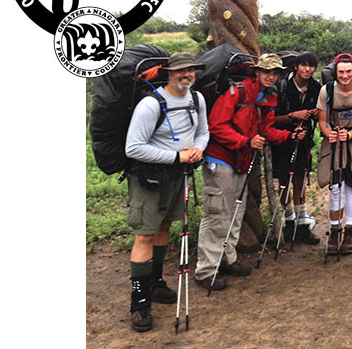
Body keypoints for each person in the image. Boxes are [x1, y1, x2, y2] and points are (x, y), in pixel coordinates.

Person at [193, 53, 305, 290]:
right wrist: (245, 141)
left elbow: (265, 131)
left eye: (275, 73)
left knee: (235, 212)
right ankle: (206, 270)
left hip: (242, 161)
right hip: (221, 159)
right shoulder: (238, 92)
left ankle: (227, 259)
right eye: (267, 72)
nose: (271, 76)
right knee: (217, 214)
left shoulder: (268, 97)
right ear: (257, 72)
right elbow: (216, 126)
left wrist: (289, 136)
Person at [124, 51, 209, 332]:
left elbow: (203, 132)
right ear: (169, 74)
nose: (187, 75)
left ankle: (155, 281)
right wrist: (176, 157)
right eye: (180, 70)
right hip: (150, 178)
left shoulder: (197, 99)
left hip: (178, 176)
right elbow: (133, 147)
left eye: (191, 70)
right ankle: (139, 302)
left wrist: (198, 149)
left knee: (163, 228)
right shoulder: (150, 105)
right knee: (145, 235)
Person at [316, 53, 352, 254]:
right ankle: (334, 230)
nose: (345, 76)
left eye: (348, 71)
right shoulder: (327, 90)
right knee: (335, 186)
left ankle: (350, 229)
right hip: (333, 142)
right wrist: (328, 133)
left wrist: (348, 135)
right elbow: (322, 119)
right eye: (341, 72)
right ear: (335, 72)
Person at [272, 51, 322, 245]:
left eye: (311, 66)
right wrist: (293, 116)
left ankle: (302, 224)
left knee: (300, 179)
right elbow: (271, 119)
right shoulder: (281, 86)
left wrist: (316, 114)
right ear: (296, 66)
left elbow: (321, 114)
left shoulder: (316, 87)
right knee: (284, 181)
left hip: (304, 140)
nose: (307, 69)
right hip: (281, 140)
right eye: (304, 65)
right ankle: (289, 221)